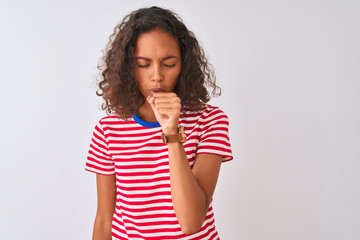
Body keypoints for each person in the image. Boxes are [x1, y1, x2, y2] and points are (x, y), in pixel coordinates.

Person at [85, 6, 233, 240]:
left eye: (169, 63)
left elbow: (191, 221)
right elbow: (104, 219)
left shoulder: (209, 120)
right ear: (127, 67)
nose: (156, 75)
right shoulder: (109, 130)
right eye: (143, 64)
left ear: (184, 65)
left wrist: (172, 133)